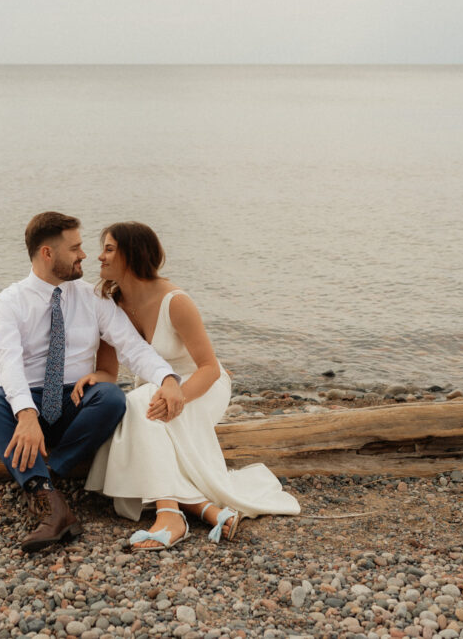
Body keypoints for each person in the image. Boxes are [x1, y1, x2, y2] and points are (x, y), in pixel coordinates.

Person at [0, 212, 186, 553]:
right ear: (47, 253)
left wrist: (167, 378)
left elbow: (132, 347)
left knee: (111, 397)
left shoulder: (93, 298)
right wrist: (27, 416)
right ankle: (54, 506)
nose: (84, 255)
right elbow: (8, 365)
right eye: (75, 248)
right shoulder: (8, 303)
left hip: (76, 406)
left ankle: (45, 479)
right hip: (27, 401)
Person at [83, 222, 300, 551]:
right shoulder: (111, 305)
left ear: (132, 254)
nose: (99, 256)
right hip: (154, 391)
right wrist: (90, 380)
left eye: (109, 249)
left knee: (141, 406)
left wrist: (177, 395)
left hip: (201, 387)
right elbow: (108, 372)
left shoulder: (175, 301)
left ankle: (169, 515)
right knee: (138, 405)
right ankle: (206, 510)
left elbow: (210, 368)